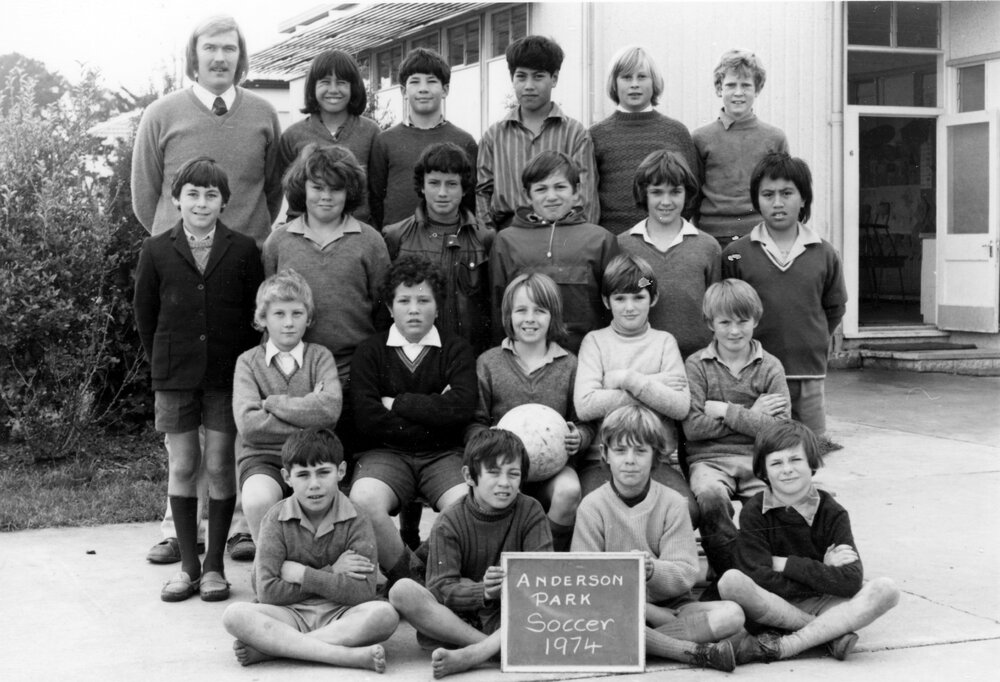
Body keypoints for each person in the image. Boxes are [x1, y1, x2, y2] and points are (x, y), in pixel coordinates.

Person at [132, 15, 281, 565]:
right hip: (184, 274)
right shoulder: (162, 114)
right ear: (192, 56)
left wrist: (235, 244)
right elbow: (147, 198)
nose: (220, 57)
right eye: (210, 48)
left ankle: (239, 525)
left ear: (241, 57)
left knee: (236, 403)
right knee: (184, 432)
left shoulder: (264, 114)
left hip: (243, 275)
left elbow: (271, 188)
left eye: (230, 49)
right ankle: (180, 528)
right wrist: (181, 248)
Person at [133, 157, 264, 602]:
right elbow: (145, 316)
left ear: (225, 202)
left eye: (211, 195)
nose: (202, 202)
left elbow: (253, 317)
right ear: (176, 199)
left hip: (227, 375)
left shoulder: (244, 249)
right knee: (184, 465)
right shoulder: (155, 249)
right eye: (192, 193)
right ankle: (188, 566)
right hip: (174, 375)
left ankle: (214, 568)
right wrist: (164, 363)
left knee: (221, 463)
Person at [572, 405, 743, 672]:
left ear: (655, 458)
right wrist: (647, 611)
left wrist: (652, 570)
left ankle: (630, 645)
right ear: (605, 455)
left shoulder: (673, 503)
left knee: (732, 614)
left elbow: (686, 573)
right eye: (620, 450)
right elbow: (583, 579)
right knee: (593, 619)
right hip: (615, 611)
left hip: (673, 608)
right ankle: (686, 651)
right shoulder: (591, 506)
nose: (630, 460)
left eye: (640, 451)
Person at [718, 420, 900, 664]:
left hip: (826, 602)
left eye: (795, 460)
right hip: (774, 603)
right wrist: (821, 570)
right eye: (776, 463)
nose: (787, 469)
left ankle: (785, 645)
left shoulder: (833, 512)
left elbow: (850, 580)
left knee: (886, 590)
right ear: (763, 471)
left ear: (812, 463)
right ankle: (828, 634)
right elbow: (757, 576)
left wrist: (783, 564)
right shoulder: (753, 511)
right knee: (732, 582)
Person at [222, 429, 398, 671]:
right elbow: (267, 593)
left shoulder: (357, 517)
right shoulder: (275, 519)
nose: (314, 485)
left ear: (341, 471)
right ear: (287, 477)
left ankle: (274, 650)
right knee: (234, 614)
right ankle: (344, 656)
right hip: (288, 615)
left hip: (342, 614)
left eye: (323, 472)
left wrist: (301, 574)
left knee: (385, 615)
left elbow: (362, 593)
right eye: (303, 475)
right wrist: (333, 572)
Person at [348, 256, 477, 586]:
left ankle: (425, 565)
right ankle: (406, 575)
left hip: (443, 454)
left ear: (437, 306)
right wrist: (435, 409)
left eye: (423, 300)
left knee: (468, 502)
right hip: (386, 454)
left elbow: (460, 410)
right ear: (390, 308)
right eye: (404, 301)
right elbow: (367, 419)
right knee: (364, 499)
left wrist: (397, 402)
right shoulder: (371, 351)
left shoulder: (455, 350)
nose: (414, 309)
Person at [388, 429, 553, 679]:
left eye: (514, 474)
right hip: (459, 619)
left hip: (509, 614)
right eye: (494, 472)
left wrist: (509, 589)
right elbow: (442, 587)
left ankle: (475, 653)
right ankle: (491, 648)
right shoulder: (449, 520)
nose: (505, 483)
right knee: (402, 591)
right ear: (470, 476)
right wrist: (484, 591)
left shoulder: (531, 511)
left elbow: (544, 578)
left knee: (543, 610)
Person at [263, 144, 390, 461]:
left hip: (353, 375)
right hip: (295, 376)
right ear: (301, 188)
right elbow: (268, 312)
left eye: (336, 189)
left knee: (348, 465)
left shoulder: (370, 241)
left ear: (350, 192)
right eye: (317, 187)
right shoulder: (279, 242)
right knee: (303, 468)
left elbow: (383, 311)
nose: (326, 196)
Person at [722, 153, 847, 438]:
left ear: (803, 199)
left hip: (808, 373)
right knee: (763, 443)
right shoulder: (736, 254)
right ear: (757, 200)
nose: (777, 202)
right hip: (755, 374)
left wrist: (812, 338)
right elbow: (727, 314)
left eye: (787, 193)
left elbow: (835, 308)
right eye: (768, 194)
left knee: (811, 446)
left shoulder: (825, 253)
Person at [467, 273, 593, 551]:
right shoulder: (489, 363)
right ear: (508, 315)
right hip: (502, 467)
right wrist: (490, 444)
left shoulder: (569, 364)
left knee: (569, 491)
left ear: (553, 316)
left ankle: (545, 556)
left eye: (540, 311)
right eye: (521, 310)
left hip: (553, 470)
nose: (530, 319)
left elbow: (584, 422)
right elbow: (475, 423)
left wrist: (578, 437)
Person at [573, 253, 696, 523]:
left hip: (656, 460)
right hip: (602, 460)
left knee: (688, 510)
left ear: (653, 298)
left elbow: (679, 405)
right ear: (606, 301)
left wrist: (627, 378)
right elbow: (585, 405)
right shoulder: (595, 342)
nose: (630, 307)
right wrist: (655, 385)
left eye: (638, 297)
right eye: (620, 298)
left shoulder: (664, 342)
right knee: (594, 511)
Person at [683, 279, 790, 584]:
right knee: (710, 498)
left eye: (742, 321)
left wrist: (725, 411)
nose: (734, 330)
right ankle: (730, 574)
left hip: (759, 459)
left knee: (777, 502)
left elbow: (782, 431)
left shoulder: (770, 367)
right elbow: (693, 428)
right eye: (724, 322)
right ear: (709, 323)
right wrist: (754, 415)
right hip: (710, 460)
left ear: (755, 320)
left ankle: (766, 573)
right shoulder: (697, 366)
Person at [233, 271, 343, 540]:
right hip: (263, 458)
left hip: (314, 459)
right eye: (279, 314)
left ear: (309, 318)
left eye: (297, 313)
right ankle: (270, 567)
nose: (289, 323)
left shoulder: (320, 357)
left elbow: (329, 412)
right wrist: (308, 407)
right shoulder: (248, 362)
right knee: (258, 500)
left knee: (325, 511)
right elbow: (249, 426)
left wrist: (272, 403)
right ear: (263, 319)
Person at [489, 151, 618, 354]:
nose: (551, 197)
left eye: (560, 187)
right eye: (541, 189)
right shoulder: (505, 241)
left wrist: (649, 282)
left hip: (588, 358)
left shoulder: (601, 239)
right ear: (527, 195)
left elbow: (626, 292)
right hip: (524, 359)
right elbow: (498, 308)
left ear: (576, 192)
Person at [477, 35, 598, 231]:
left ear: (554, 78)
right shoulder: (494, 136)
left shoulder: (575, 134)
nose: (529, 86)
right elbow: (482, 194)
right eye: (521, 76)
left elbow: (585, 197)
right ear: (512, 79)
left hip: (563, 233)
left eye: (538, 76)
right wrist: (490, 238)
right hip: (509, 237)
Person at [383, 142, 494, 353]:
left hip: (469, 353)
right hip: (413, 355)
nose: (442, 193)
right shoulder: (396, 236)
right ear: (422, 186)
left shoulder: (484, 238)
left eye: (451, 184)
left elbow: (492, 305)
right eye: (434, 183)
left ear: (464, 189)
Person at [618, 150, 720, 359]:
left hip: (698, 362)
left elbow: (718, 310)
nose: (666, 201)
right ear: (644, 193)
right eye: (657, 192)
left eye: (675, 192)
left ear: (687, 193)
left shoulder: (708, 247)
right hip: (639, 361)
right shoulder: (622, 246)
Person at [590, 46, 700, 235]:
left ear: (654, 82)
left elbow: (693, 191)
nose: (634, 84)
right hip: (614, 242)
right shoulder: (596, 135)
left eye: (641, 77)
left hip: (666, 241)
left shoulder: (676, 132)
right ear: (614, 84)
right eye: (626, 77)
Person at [369, 48, 478, 230]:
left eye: (431, 81)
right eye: (415, 82)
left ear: (445, 90)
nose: (423, 89)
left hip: (450, 241)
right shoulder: (385, 141)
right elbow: (375, 198)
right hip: (397, 243)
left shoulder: (464, 141)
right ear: (403, 91)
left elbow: (469, 199)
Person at [693, 49, 788, 246]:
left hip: (760, 237)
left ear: (758, 89)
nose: (738, 92)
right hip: (712, 237)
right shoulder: (700, 138)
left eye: (746, 85)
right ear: (719, 89)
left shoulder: (775, 138)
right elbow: (693, 194)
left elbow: (785, 192)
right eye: (730, 85)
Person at [277, 49, 380, 223]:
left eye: (341, 82)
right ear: (312, 87)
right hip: (303, 235)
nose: (333, 90)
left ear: (353, 87)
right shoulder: (292, 136)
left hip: (357, 233)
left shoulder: (371, 132)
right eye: (325, 82)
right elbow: (288, 190)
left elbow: (377, 191)